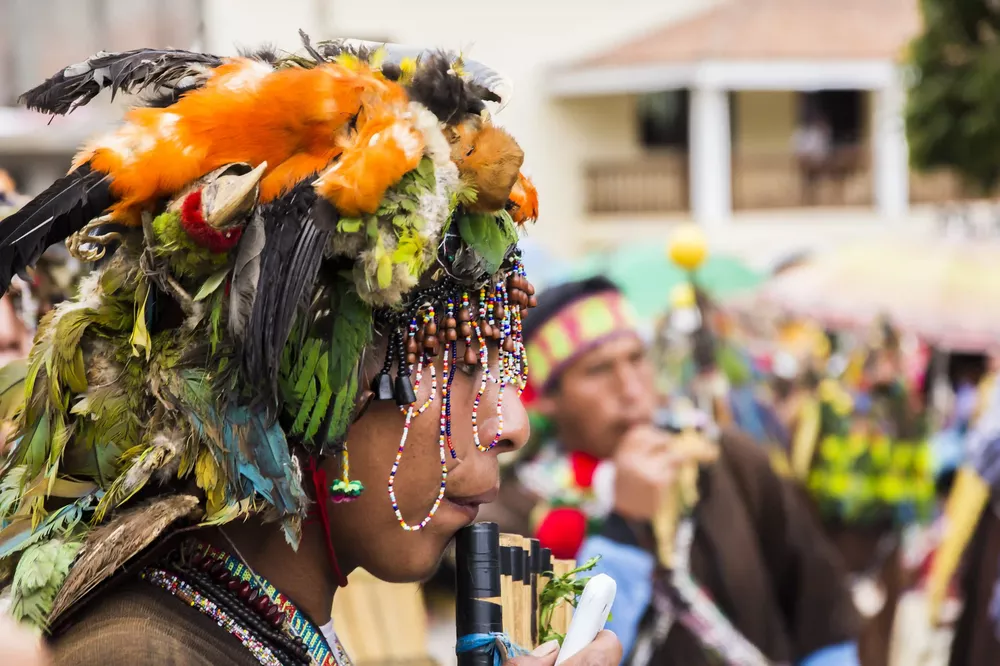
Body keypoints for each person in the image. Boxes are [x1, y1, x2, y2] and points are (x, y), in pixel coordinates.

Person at [0, 37, 618, 666]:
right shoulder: (140, 653)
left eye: (502, 364)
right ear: (307, 381)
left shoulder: (277, 624)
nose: (510, 423)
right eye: (458, 362)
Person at [482, 277, 861, 666]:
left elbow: (820, 604)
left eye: (636, 358)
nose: (630, 388)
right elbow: (559, 653)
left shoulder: (725, 458)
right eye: (598, 370)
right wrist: (622, 524)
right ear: (547, 400)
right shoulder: (516, 509)